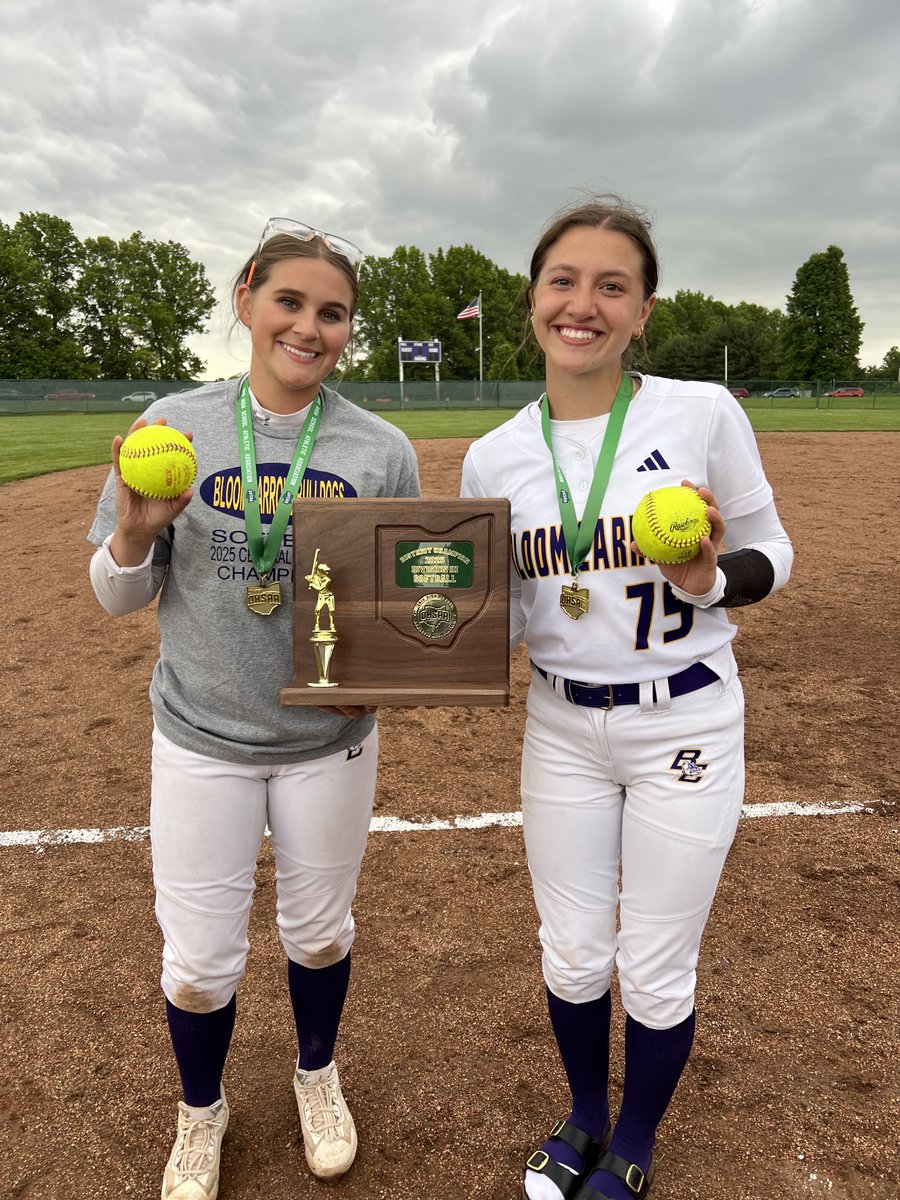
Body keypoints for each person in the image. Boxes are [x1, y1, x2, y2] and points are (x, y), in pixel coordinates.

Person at [460, 195, 793, 1200]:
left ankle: (634, 1142)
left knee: (654, 963)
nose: (584, 304)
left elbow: (774, 552)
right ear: (533, 300)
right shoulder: (494, 456)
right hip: (561, 725)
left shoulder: (700, 413)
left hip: (684, 717)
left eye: (613, 286)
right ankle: (585, 1118)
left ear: (643, 311)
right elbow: (501, 618)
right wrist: (406, 651)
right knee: (571, 953)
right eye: (564, 281)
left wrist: (710, 579)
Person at [88, 218, 420, 1200]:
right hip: (202, 736)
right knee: (198, 963)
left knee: (319, 934)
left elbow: (401, 604)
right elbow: (115, 597)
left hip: (329, 742)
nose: (310, 328)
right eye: (290, 302)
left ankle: (316, 1073)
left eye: (333, 313)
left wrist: (396, 665)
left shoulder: (380, 448)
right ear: (246, 300)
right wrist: (136, 535)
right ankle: (202, 1110)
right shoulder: (172, 425)